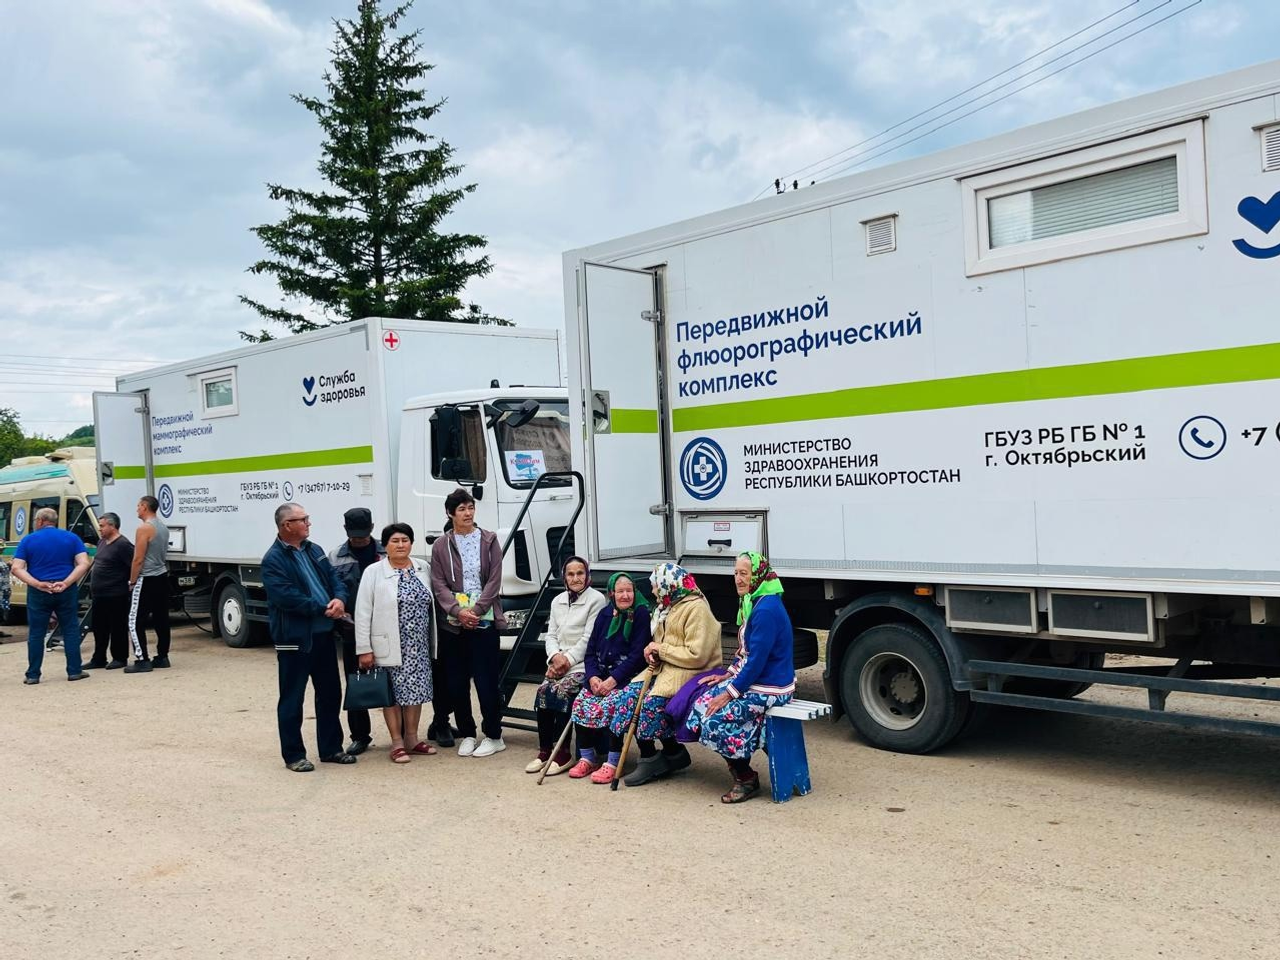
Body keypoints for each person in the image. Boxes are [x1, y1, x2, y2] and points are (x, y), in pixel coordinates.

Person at [684, 552, 796, 803]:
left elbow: (757, 662)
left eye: (744, 573)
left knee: (714, 718)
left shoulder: (766, 609)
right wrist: (728, 674)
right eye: (735, 573)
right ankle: (744, 769)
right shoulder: (755, 602)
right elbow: (746, 653)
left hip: (772, 688)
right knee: (700, 703)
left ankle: (745, 778)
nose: (738, 579)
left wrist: (729, 692)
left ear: (757, 575)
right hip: (759, 682)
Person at [261, 502, 357, 772]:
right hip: (295, 638)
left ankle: (331, 749)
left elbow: (334, 577)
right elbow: (286, 597)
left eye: (307, 518)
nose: (308, 523)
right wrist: (324, 609)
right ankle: (294, 755)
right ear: (286, 526)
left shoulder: (314, 550)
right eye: (302, 519)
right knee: (292, 698)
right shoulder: (273, 560)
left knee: (329, 694)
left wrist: (339, 597)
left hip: (324, 636)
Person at [608, 562, 721, 787]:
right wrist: (653, 652)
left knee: (650, 704)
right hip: (667, 667)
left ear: (667, 584)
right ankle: (657, 755)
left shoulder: (696, 608)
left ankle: (664, 756)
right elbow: (661, 643)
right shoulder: (667, 606)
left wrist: (662, 650)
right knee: (628, 695)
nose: (652, 591)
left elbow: (698, 655)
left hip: (694, 670)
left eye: (654, 585)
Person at [429, 487, 507, 758]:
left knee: (486, 680)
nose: (468, 513)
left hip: (483, 620)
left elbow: (495, 577)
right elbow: (438, 583)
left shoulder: (489, 539)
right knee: (457, 681)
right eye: (461, 509)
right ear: (450, 513)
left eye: (470, 507)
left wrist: (477, 609)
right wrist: (456, 610)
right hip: (453, 623)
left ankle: (494, 735)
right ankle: (468, 733)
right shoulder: (441, 545)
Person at [353, 522, 436, 764]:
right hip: (388, 643)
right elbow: (362, 612)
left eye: (405, 540)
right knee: (391, 694)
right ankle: (397, 743)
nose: (401, 545)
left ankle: (412, 738)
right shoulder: (374, 572)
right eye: (395, 541)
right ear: (385, 545)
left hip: (418, 646)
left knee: (415, 693)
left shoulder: (423, 567)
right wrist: (364, 648)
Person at [566, 572, 651, 782]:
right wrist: (593, 677)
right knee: (581, 702)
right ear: (612, 593)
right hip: (601, 676)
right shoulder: (605, 614)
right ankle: (587, 758)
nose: (625, 596)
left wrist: (613, 680)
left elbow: (637, 657)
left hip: (626, 678)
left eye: (629, 591)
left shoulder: (640, 614)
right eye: (620, 591)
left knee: (615, 703)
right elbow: (590, 651)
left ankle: (613, 761)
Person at [526, 556, 606, 775]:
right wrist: (554, 658)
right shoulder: (557, 600)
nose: (576, 578)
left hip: (581, 664)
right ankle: (545, 750)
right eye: (570, 574)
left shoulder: (596, 599)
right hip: (558, 661)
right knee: (543, 691)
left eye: (580, 573)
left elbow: (589, 639)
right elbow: (550, 635)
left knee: (562, 692)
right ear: (564, 577)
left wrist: (566, 661)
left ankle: (563, 753)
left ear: (587, 575)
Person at [10, 507, 91, 684]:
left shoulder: (28, 540)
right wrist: (67, 582)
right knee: (70, 629)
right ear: (54, 521)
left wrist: (37, 583)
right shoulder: (72, 538)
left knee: (36, 633)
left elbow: (16, 568)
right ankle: (74, 671)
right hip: (65, 589)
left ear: (39, 521)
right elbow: (84, 563)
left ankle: (33, 675)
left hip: (39, 591)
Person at [328, 507, 384, 755]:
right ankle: (360, 735)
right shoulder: (335, 557)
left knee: (394, 682)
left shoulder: (386, 552)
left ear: (372, 528)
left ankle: (403, 733)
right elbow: (331, 590)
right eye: (354, 534)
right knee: (355, 682)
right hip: (352, 629)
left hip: (386, 628)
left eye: (363, 533)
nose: (359, 538)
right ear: (345, 530)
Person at [124, 495, 171, 673]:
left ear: (144, 507)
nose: (137, 509)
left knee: (134, 620)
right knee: (161, 618)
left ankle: (142, 658)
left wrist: (132, 580)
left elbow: (138, 559)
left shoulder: (144, 529)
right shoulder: (163, 527)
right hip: (161, 575)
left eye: (138, 506)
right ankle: (162, 656)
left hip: (146, 577)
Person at [84, 513, 133, 670]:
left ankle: (119, 657)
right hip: (99, 594)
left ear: (113, 526)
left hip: (116, 593)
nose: (100, 529)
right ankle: (99, 658)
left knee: (117, 627)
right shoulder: (102, 542)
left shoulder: (123, 544)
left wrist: (129, 584)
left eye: (103, 526)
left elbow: (133, 566)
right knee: (99, 627)